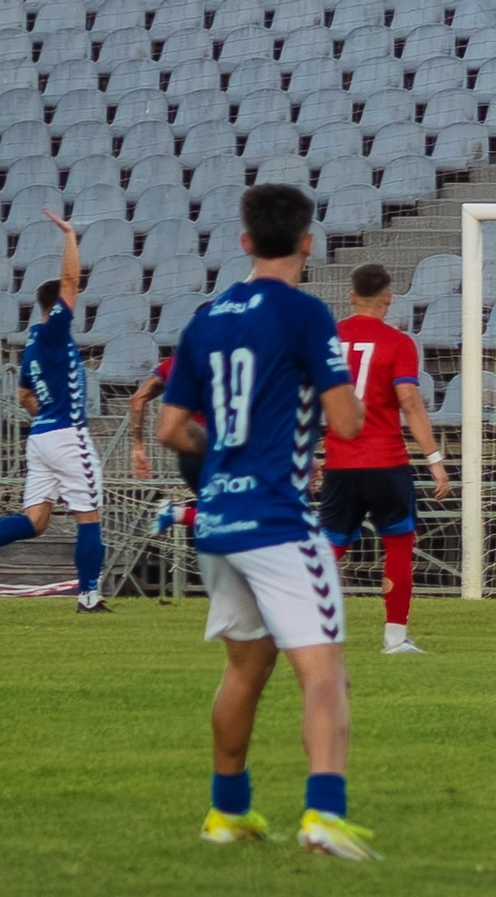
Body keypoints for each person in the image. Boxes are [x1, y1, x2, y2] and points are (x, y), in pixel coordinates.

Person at [155, 184, 377, 859]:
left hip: (218, 518)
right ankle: (325, 814)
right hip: (278, 518)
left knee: (245, 670)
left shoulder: (207, 319)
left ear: (245, 241)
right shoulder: (306, 313)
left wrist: (225, 456)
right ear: (308, 242)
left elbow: (171, 428)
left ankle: (227, 811)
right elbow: (345, 422)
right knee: (325, 670)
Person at [0, 210, 107, 613]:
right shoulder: (55, 333)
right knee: (88, 515)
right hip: (67, 435)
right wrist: (70, 236)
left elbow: (23, 394)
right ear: (56, 306)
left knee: (35, 521)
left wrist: (44, 412)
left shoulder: (32, 347)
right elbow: (70, 281)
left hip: (41, 437)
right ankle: (88, 597)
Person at [321, 264, 452, 655]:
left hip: (340, 461)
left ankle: (297, 626)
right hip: (385, 460)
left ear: (351, 296)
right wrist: (434, 458)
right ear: (389, 298)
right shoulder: (398, 343)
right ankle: (394, 639)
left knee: (329, 548)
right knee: (398, 545)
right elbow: (409, 402)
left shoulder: (328, 339)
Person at [127, 300, 212, 533]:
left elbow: (137, 399)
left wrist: (138, 446)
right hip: (214, 451)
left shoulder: (177, 362)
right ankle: (177, 514)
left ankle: (178, 514)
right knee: (245, 512)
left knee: (228, 514)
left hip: (188, 456)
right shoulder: (230, 360)